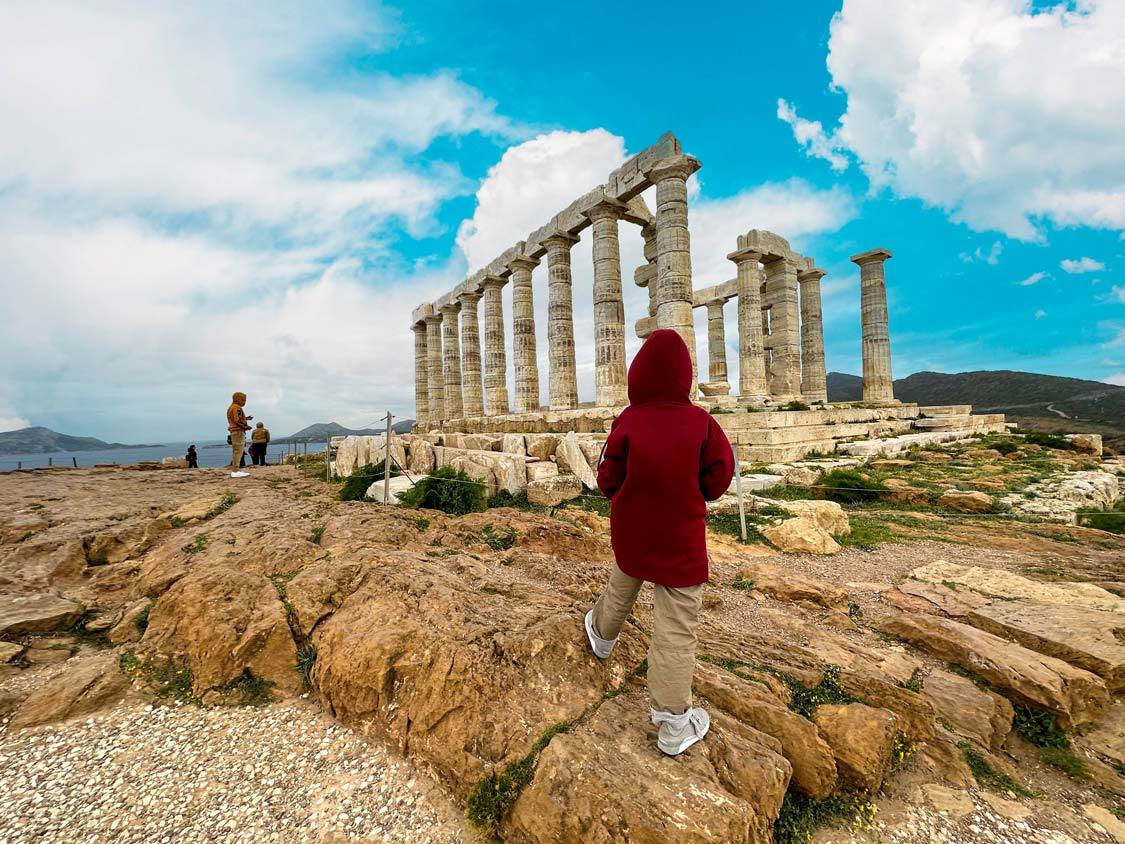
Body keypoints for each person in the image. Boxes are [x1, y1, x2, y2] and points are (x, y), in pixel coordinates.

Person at [584, 330, 735, 757]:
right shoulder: (703, 423)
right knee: (676, 628)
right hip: (680, 538)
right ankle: (673, 724)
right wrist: (691, 492)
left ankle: (601, 634)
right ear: (683, 376)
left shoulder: (627, 421)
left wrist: (626, 498)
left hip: (632, 529)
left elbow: (606, 476)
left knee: (624, 580)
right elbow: (719, 478)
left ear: (639, 374)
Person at [226, 392, 252, 469]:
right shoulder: (237, 408)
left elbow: (236, 418)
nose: (244, 402)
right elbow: (237, 420)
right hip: (238, 431)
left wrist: (246, 418)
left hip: (234, 431)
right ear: (238, 399)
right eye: (243, 400)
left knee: (236, 450)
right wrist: (246, 426)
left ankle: (235, 467)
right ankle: (236, 469)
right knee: (238, 451)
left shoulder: (231, 407)